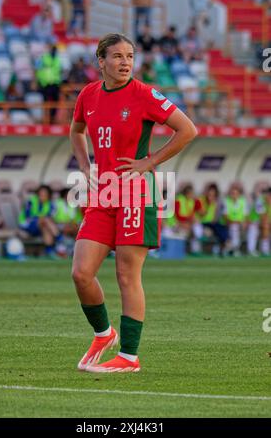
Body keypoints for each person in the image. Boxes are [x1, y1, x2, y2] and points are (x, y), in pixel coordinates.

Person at [70, 32, 197, 373]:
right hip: (102, 195)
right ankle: (103, 332)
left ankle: (129, 357)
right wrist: (84, 165)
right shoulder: (88, 95)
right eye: (117, 56)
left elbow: (187, 130)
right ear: (101, 62)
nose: (125, 62)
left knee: (127, 274)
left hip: (137, 194)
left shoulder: (143, 95)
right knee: (81, 273)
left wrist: (149, 161)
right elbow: (76, 129)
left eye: (129, 56)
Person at [18, 185, 61, 258]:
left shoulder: (50, 204)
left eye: (45, 194)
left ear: (48, 196)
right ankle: (60, 239)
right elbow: (28, 217)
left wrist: (43, 218)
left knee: (45, 228)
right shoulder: (31, 201)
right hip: (27, 225)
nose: (42, 196)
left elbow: (52, 217)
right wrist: (41, 218)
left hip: (41, 226)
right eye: (41, 194)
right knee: (45, 220)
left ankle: (49, 251)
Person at [36, 43, 62, 123]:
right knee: (46, 102)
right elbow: (38, 69)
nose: (53, 51)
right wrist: (38, 81)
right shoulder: (44, 58)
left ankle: (52, 118)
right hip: (45, 84)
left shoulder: (58, 59)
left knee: (55, 102)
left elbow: (58, 71)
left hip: (55, 84)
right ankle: (45, 119)